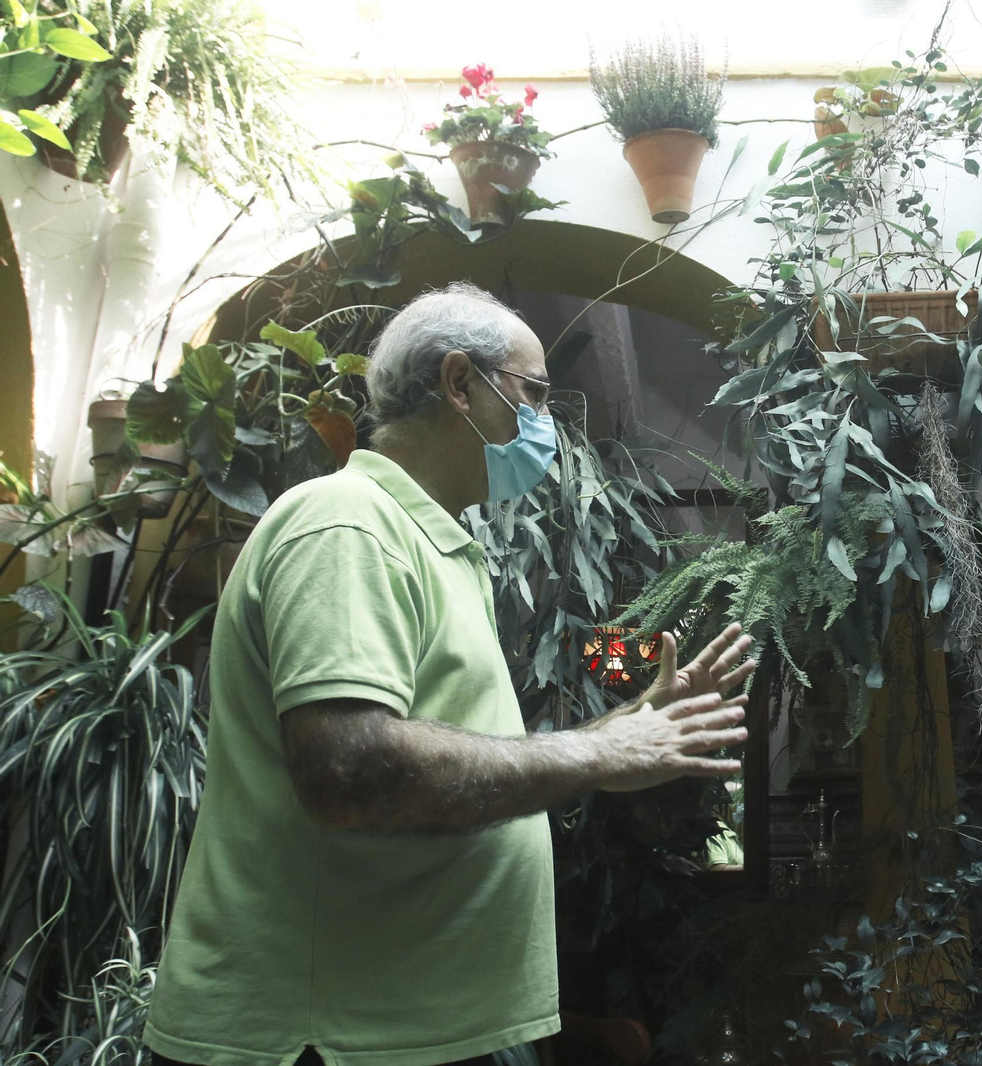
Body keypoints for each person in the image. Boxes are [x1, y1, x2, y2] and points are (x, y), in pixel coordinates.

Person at [145, 283, 755, 1066]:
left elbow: (458, 748)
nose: (545, 426)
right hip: (329, 1037)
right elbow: (351, 770)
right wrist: (598, 755)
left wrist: (622, 731)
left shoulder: (436, 546)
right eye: (534, 395)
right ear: (460, 383)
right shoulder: (347, 524)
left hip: (410, 1029)